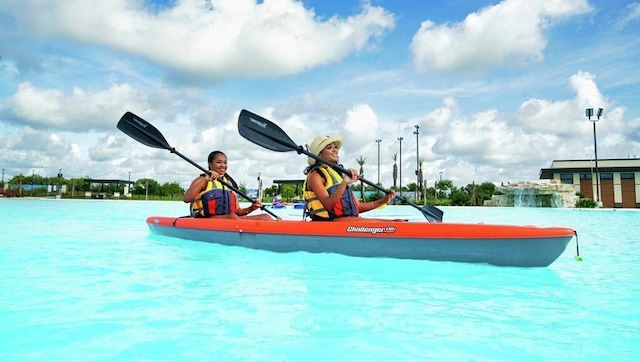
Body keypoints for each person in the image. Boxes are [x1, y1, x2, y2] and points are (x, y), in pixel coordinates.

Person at [303, 135, 395, 221]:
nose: (335, 150)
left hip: (348, 222)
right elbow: (328, 205)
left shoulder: (337, 175)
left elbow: (357, 207)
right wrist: (344, 183)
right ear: (319, 155)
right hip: (328, 223)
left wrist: (383, 200)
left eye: (335, 147)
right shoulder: (315, 175)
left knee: (398, 221)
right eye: (329, 148)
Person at [183, 150, 272, 220]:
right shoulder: (203, 179)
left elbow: (238, 212)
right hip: (206, 220)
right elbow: (186, 199)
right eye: (219, 162)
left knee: (265, 217)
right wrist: (206, 179)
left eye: (225, 162)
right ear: (210, 164)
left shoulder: (229, 184)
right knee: (232, 217)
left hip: (231, 219)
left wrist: (252, 208)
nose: (223, 165)